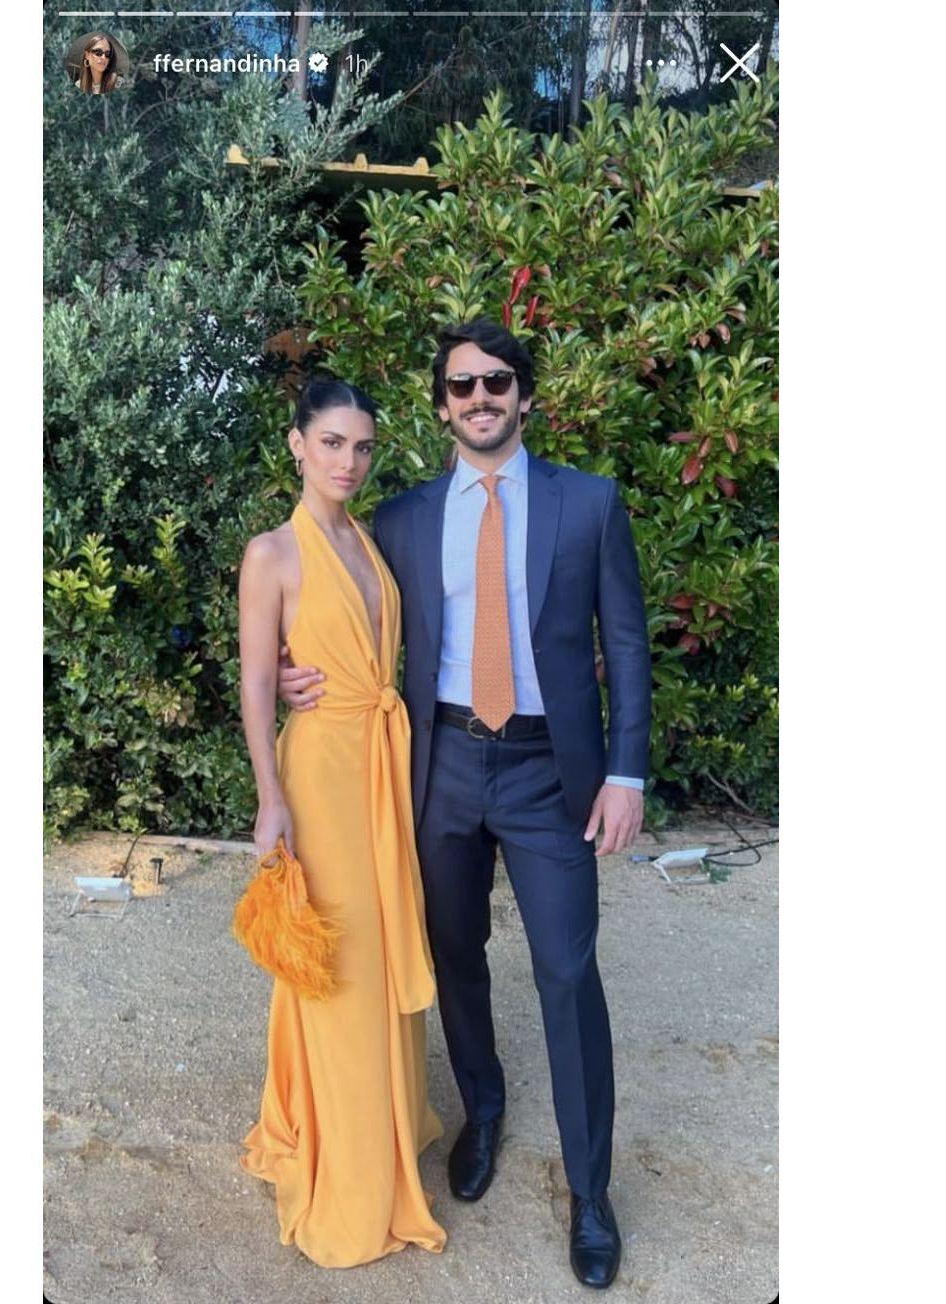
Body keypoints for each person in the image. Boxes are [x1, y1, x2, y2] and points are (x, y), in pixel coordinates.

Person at [279, 320, 652, 1289]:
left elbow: (625, 641)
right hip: (438, 762)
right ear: (441, 405)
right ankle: (482, 1110)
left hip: (547, 772)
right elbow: (338, 609)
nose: (478, 397)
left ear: (523, 395)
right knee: (453, 954)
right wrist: (290, 671)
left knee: (566, 971)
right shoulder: (399, 519)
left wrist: (626, 772)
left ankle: (590, 1190)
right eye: (460, 385)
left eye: (496, 381)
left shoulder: (588, 503)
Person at [236, 378, 446, 1268]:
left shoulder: (369, 539)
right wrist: (270, 799)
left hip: (384, 768)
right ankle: (353, 1174)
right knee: (342, 958)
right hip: (320, 774)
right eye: (330, 443)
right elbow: (257, 682)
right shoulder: (272, 553)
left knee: (386, 941)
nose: (348, 462)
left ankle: (389, 1126)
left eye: (362, 447)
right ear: (297, 444)